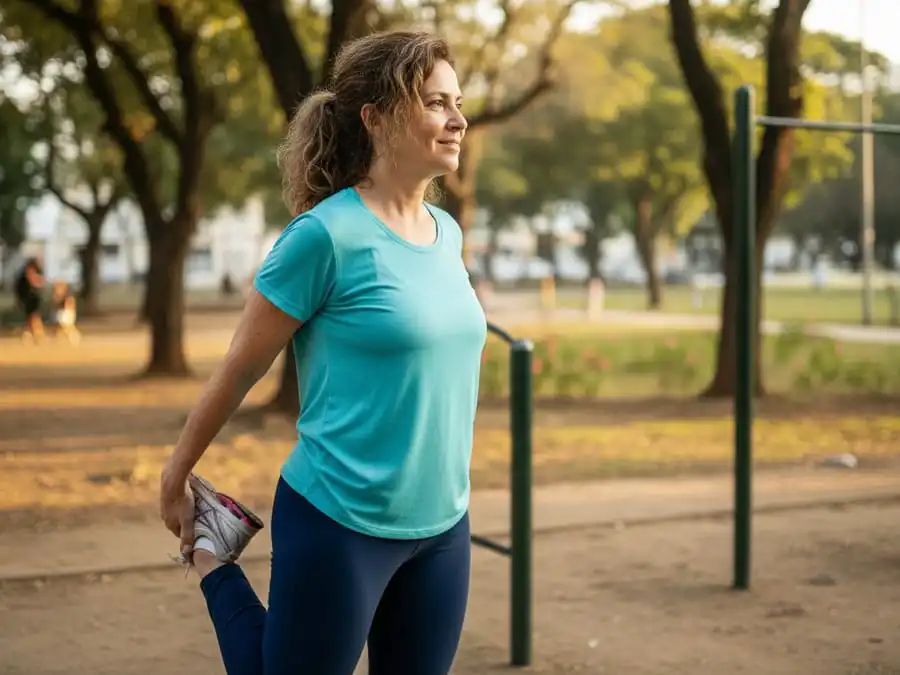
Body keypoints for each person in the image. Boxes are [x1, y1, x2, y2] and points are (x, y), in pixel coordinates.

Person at [159, 30, 486, 675]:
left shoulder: (445, 233)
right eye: (435, 103)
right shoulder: (322, 237)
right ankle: (211, 560)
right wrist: (177, 474)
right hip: (339, 522)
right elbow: (240, 369)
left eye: (457, 101)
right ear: (377, 118)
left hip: (443, 523)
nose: (457, 119)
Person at [14, 256, 45, 343]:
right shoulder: (24, 277)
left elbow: (38, 283)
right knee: (32, 317)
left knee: (34, 317)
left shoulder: (32, 274)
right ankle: (35, 333)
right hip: (29, 299)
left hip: (33, 299)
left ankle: (37, 333)